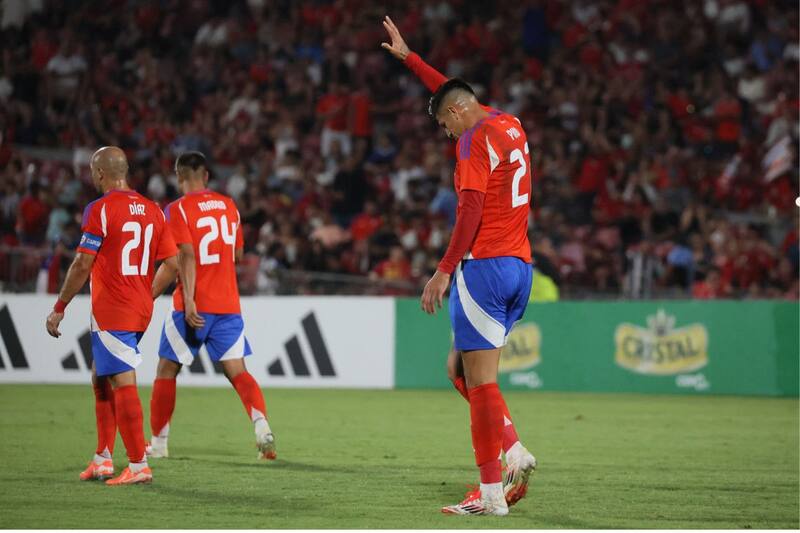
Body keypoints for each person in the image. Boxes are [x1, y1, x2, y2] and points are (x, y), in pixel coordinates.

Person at [382, 16, 537, 516]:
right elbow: (453, 93)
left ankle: (491, 495)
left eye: (443, 125)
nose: (446, 134)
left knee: (481, 381)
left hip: (484, 268)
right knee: (460, 370)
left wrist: (444, 268)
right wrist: (412, 61)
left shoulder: (472, 142)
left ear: (456, 115)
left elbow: (469, 209)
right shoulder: (507, 123)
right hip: (519, 268)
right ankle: (513, 450)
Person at [45, 146, 179, 485]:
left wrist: (60, 306)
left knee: (121, 379)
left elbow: (82, 263)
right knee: (100, 377)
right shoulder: (153, 210)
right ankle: (103, 458)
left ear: (101, 174)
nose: (91, 177)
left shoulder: (100, 209)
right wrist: (146, 293)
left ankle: (137, 466)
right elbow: (173, 264)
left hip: (113, 309)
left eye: (92, 171)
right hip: (139, 308)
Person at [147, 151, 276, 461]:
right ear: (205, 176)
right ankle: (262, 427)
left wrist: (190, 299)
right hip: (228, 303)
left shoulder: (177, 209)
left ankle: (159, 445)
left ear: (179, 178)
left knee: (166, 369)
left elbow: (185, 257)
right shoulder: (229, 206)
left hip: (193, 305)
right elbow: (239, 254)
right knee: (237, 371)